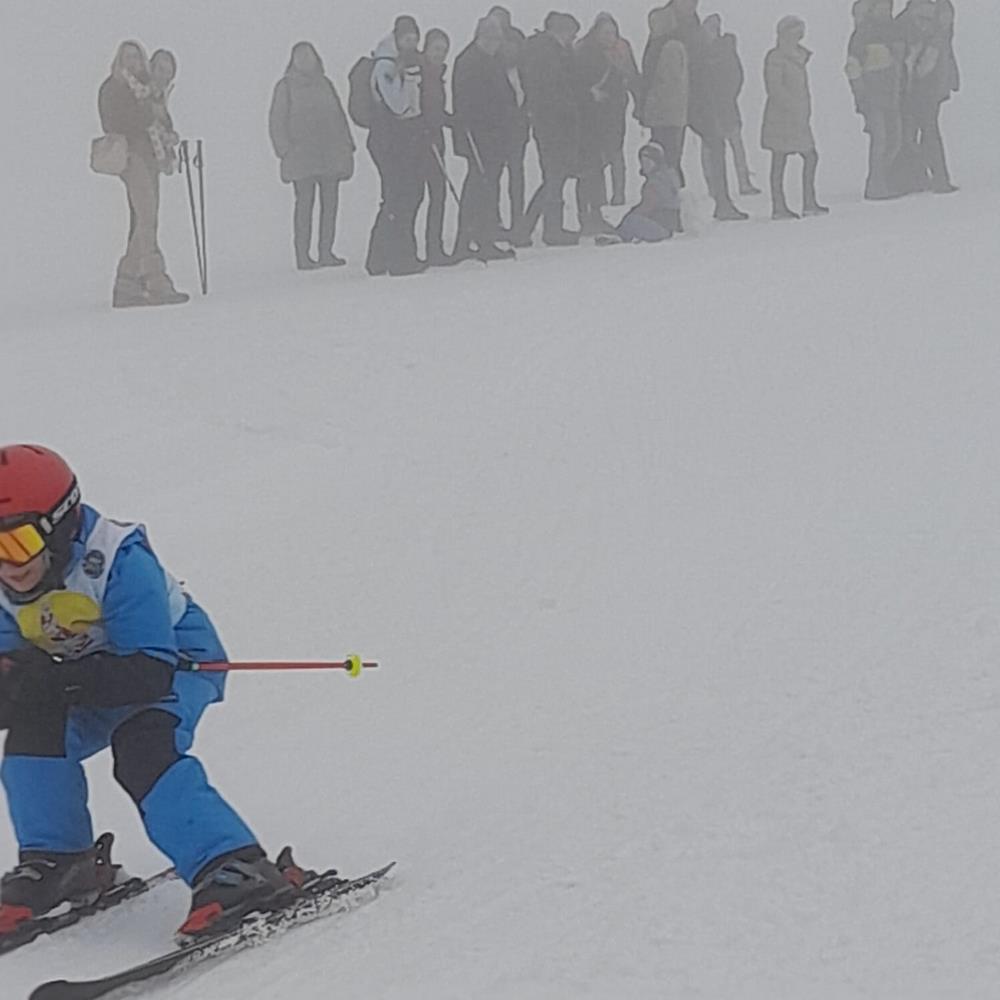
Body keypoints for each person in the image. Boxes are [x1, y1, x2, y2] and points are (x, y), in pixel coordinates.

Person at [0, 445, 295, 941]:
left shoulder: (118, 561)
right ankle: (59, 860)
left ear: (61, 526)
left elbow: (148, 672)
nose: (7, 564)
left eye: (18, 542)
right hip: (84, 675)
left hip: (175, 662)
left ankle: (234, 865)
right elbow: (15, 671)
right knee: (32, 736)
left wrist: (54, 681)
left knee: (142, 745)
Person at [99, 41, 189, 308]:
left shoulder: (146, 89)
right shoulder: (113, 88)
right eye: (128, 57)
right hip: (132, 156)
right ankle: (154, 280)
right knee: (147, 216)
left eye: (136, 57)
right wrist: (146, 116)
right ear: (119, 59)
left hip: (151, 156)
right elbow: (116, 122)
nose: (133, 62)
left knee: (147, 219)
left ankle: (127, 283)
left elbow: (160, 118)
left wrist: (167, 133)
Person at [269, 42, 356, 271]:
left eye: (309, 56)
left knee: (330, 205)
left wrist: (347, 145)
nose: (306, 61)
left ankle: (326, 252)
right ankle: (303, 256)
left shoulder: (325, 84)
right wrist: (284, 150)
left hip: (330, 155)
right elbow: (276, 121)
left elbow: (339, 116)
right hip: (301, 159)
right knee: (304, 207)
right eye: (300, 57)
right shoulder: (285, 87)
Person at [668, 0, 748, 222]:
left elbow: (730, 73)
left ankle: (722, 200)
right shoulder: (669, 26)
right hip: (678, 98)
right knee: (672, 153)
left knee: (716, 143)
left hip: (700, 99)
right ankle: (673, 207)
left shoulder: (694, 28)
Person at [365, 16, 427, 277]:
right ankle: (398, 258)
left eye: (414, 38)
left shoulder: (401, 62)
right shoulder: (386, 65)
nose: (411, 43)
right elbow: (400, 106)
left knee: (402, 197)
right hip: (389, 142)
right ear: (397, 38)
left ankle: (380, 258)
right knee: (399, 198)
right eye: (406, 38)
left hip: (401, 140)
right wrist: (411, 78)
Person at [452, 16, 517, 262]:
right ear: (479, 37)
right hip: (479, 137)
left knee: (488, 186)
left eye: (497, 39)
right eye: (489, 38)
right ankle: (471, 239)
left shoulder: (493, 59)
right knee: (479, 187)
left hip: (496, 135)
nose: (493, 43)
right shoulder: (468, 61)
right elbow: (468, 103)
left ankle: (481, 237)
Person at [519, 12, 583, 246]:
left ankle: (528, 227)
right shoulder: (546, 53)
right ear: (561, 30)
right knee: (555, 174)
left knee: (554, 175)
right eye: (572, 34)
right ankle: (550, 229)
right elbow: (554, 89)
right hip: (553, 123)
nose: (573, 39)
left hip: (550, 121)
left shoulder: (543, 50)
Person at [574, 13, 639, 234]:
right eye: (605, 33)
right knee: (591, 167)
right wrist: (591, 93)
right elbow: (578, 83)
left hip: (613, 115)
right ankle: (588, 215)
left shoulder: (619, 52)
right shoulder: (586, 53)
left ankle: (598, 211)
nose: (610, 37)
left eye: (613, 33)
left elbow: (631, 79)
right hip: (591, 119)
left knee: (606, 160)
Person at [762, 16, 829, 220]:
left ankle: (807, 201)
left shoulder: (797, 57)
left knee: (806, 157)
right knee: (782, 159)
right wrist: (793, 107)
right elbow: (775, 88)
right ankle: (780, 206)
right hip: (781, 118)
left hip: (798, 117)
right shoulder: (776, 58)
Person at [845, 0, 906, 200]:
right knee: (881, 140)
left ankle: (880, 180)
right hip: (873, 95)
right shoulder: (863, 34)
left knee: (894, 140)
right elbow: (852, 66)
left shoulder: (893, 31)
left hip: (891, 94)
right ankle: (876, 185)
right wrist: (860, 93)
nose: (886, 9)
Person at [898, 0, 959, 194]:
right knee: (928, 130)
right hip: (932, 84)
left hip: (916, 86)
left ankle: (921, 177)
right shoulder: (938, 17)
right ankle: (935, 177)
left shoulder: (908, 19)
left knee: (916, 131)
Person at [702, 15, 760, 196]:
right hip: (710, 107)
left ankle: (743, 182)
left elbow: (737, 76)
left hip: (725, 105)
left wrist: (729, 95)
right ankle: (713, 187)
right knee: (710, 147)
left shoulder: (725, 50)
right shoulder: (700, 51)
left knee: (735, 143)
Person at [639, 6, 689, 183]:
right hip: (667, 112)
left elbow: (668, 82)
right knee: (665, 153)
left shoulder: (669, 47)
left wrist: (650, 101)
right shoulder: (662, 44)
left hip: (666, 112)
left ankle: (668, 189)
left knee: (666, 155)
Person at [600, 142, 681, 244]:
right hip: (668, 226)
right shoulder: (668, 177)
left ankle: (620, 236)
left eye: (648, 162)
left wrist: (630, 215)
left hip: (660, 227)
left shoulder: (655, 183)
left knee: (632, 220)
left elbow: (648, 206)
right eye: (642, 162)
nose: (644, 165)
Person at [495, 21, 531, 245]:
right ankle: (495, 222)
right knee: (495, 178)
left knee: (517, 177)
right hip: (498, 133)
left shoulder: (522, 72)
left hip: (518, 132)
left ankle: (518, 221)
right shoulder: (493, 70)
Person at [419, 29, 453, 266]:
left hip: (436, 139)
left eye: (443, 50)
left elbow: (437, 111)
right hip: (422, 142)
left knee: (438, 193)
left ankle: (434, 247)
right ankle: (429, 248)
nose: (440, 54)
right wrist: (426, 128)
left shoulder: (436, 75)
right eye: (436, 49)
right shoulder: (422, 74)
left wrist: (451, 120)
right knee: (425, 194)